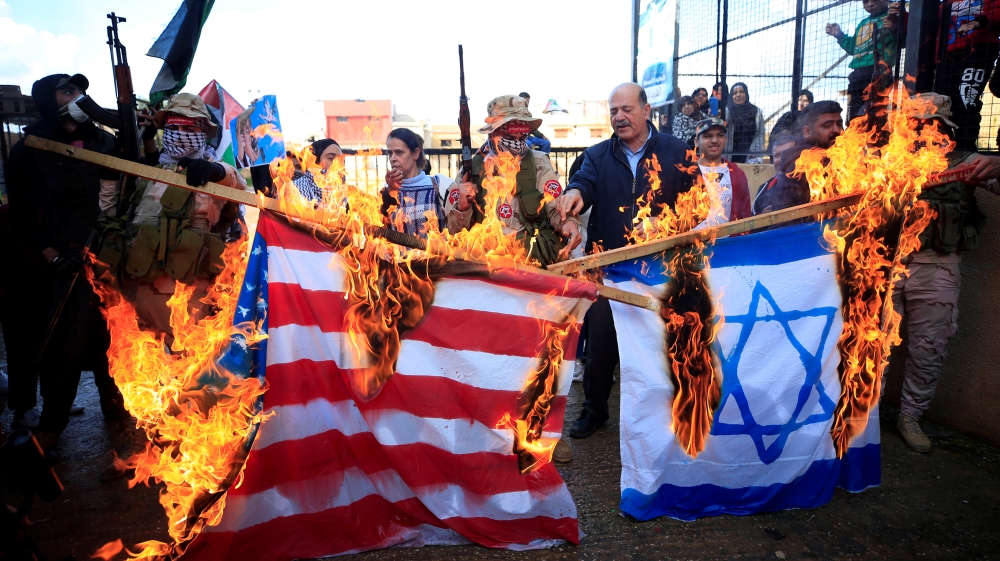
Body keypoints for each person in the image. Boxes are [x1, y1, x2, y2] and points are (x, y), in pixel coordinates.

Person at [556, 83, 696, 438]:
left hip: (663, 267)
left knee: (666, 344)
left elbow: (699, 206)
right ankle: (594, 411)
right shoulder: (598, 155)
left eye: (627, 109)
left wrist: (668, 223)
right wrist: (574, 193)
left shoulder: (677, 150)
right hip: (608, 267)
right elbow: (583, 183)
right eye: (613, 111)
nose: (619, 117)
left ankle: (673, 411)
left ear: (646, 111)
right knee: (600, 345)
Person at [4, 73, 129, 448]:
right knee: (65, 346)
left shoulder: (100, 139)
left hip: (108, 254)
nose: (78, 97)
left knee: (116, 340)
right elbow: (23, 214)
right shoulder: (29, 148)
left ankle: (118, 416)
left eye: (81, 91)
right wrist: (52, 255)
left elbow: (129, 178)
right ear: (47, 99)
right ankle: (50, 427)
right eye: (68, 90)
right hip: (61, 265)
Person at [890, 93, 1000, 452]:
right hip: (887, 265)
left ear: (944, 127)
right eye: (916, 124)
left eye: (930, 123)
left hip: (938, 266)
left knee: (929, 346)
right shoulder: (888, 163)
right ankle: (863, 413)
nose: (923, 130)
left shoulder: (966, 163)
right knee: (872, 342)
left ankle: (911, 416)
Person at [121, 93, 247, 345]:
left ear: (202, 132)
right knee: (144, 369)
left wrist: (215, 171)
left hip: (189, 290)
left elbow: (237, 183)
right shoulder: (150, 172)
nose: (179, 133)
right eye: (173, 127)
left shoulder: (213, 171)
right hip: (140, 283)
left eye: (188, 127)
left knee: (190, 367)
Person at [445, 95, 581, 267]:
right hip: (485, 260)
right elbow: (453, 231)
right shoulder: (472, 168)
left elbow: (556, 208)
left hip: (529, 256)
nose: (517, 142)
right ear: (493, 132)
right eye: (510, 134)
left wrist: (568, 223)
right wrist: (462, 208)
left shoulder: (538, 163)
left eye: (522, 135)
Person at [936, 0, 1000, 150]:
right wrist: (900, 17)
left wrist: (978, 22)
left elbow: (997, 12)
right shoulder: (946, 3)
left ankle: (965, 149)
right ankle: (946, 150)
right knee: (943, 103)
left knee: (966, 99)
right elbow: (931, 26)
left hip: (980, 49)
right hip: (948, 55)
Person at [826, 0, 904, 122]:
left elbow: (903, 41)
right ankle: (854, 134)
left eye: (874, 0)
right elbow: (854, 49)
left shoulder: (892, 18)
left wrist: (894, 29)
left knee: (875, 114)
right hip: (857, 75)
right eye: (866, 1)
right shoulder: (863, 23)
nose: (870, 4)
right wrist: (839, 35)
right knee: (854, 116)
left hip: (878, 72)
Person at [767, 100, 846, 211]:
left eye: (839, 124)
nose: (837, 130)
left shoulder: (846, 157)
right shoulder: (798, 165)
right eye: (827, 125)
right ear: (807, 132)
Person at [381, 128, 454, 237]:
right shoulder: (387, 189)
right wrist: (391, 192)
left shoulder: (439, 184)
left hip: (434, 253)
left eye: (399, 152)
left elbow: (460, 226)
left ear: (416, 154)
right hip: (399, 254)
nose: (392, 159)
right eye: (390, 153)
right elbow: (381, 228)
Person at [692, 118, 752, 228]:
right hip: (691, 243)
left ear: (726, 139)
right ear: (696, 141)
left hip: (727, 243)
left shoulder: (737, 174)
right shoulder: (686, 172)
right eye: (708, 136)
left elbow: (744, 214)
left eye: (720, 135)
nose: (715, 140)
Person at [753, 134, 798, 215]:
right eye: (777, 155)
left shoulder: (814, 183)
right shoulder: (765, 188)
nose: (782, 159)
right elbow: (752, 221)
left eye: (787, 153)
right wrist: (764, 218)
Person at [725, 83, 765, 163]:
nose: (738, 95)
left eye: (741, 92)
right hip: (729, 154)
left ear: (746, 94)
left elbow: (760, 133)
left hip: (750, 154)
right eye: (735, 93)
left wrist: (755, 149)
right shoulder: (727, 111)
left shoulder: (756, 112)